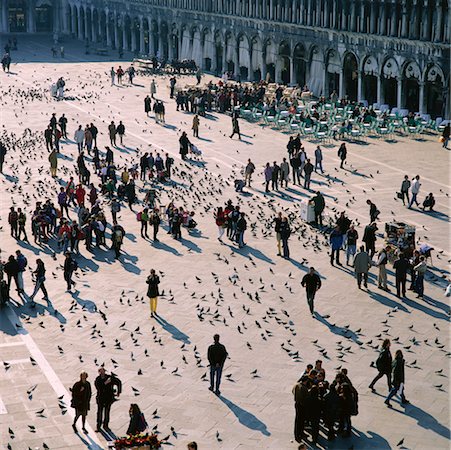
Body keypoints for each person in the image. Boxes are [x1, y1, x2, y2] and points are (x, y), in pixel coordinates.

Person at [292, 376, 309, 442]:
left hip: (297, 403)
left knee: (298, 420)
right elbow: (306, 397)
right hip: (302, 405)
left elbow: (293, 391)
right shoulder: (303, 388)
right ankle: (298, 435)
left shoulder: (296, 385)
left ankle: (299, 433)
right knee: (300, 421)